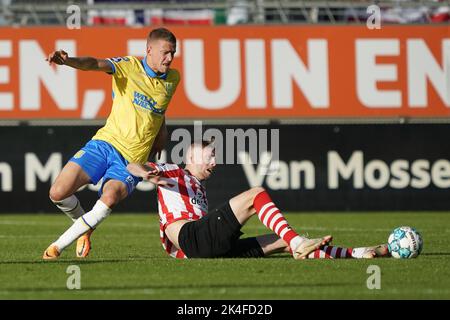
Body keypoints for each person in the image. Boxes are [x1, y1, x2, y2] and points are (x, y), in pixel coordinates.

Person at [43, 28, 180, 260]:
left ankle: (56, 247)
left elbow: (160, 109)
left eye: (173, 54)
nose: (169, 58)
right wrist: (69, 62)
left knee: (109, 197)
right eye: (165, 53)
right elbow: (95, 64)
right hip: (105, 144)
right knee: (57, 192)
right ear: (149, 50)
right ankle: (85, 229)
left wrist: (161, 134)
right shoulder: (128, 66)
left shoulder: (173, 79)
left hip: (131, 161)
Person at [127, 140, 390, 259]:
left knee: (283, 243)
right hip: (191, 238)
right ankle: (299, 242)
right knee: (255, 194)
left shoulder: (199, 188)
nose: (215, 162)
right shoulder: (174, 171)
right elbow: (131, 166)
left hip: (205, 248)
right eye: (210, 156)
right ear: (192, 157)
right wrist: (147, 174)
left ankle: (359, 252)